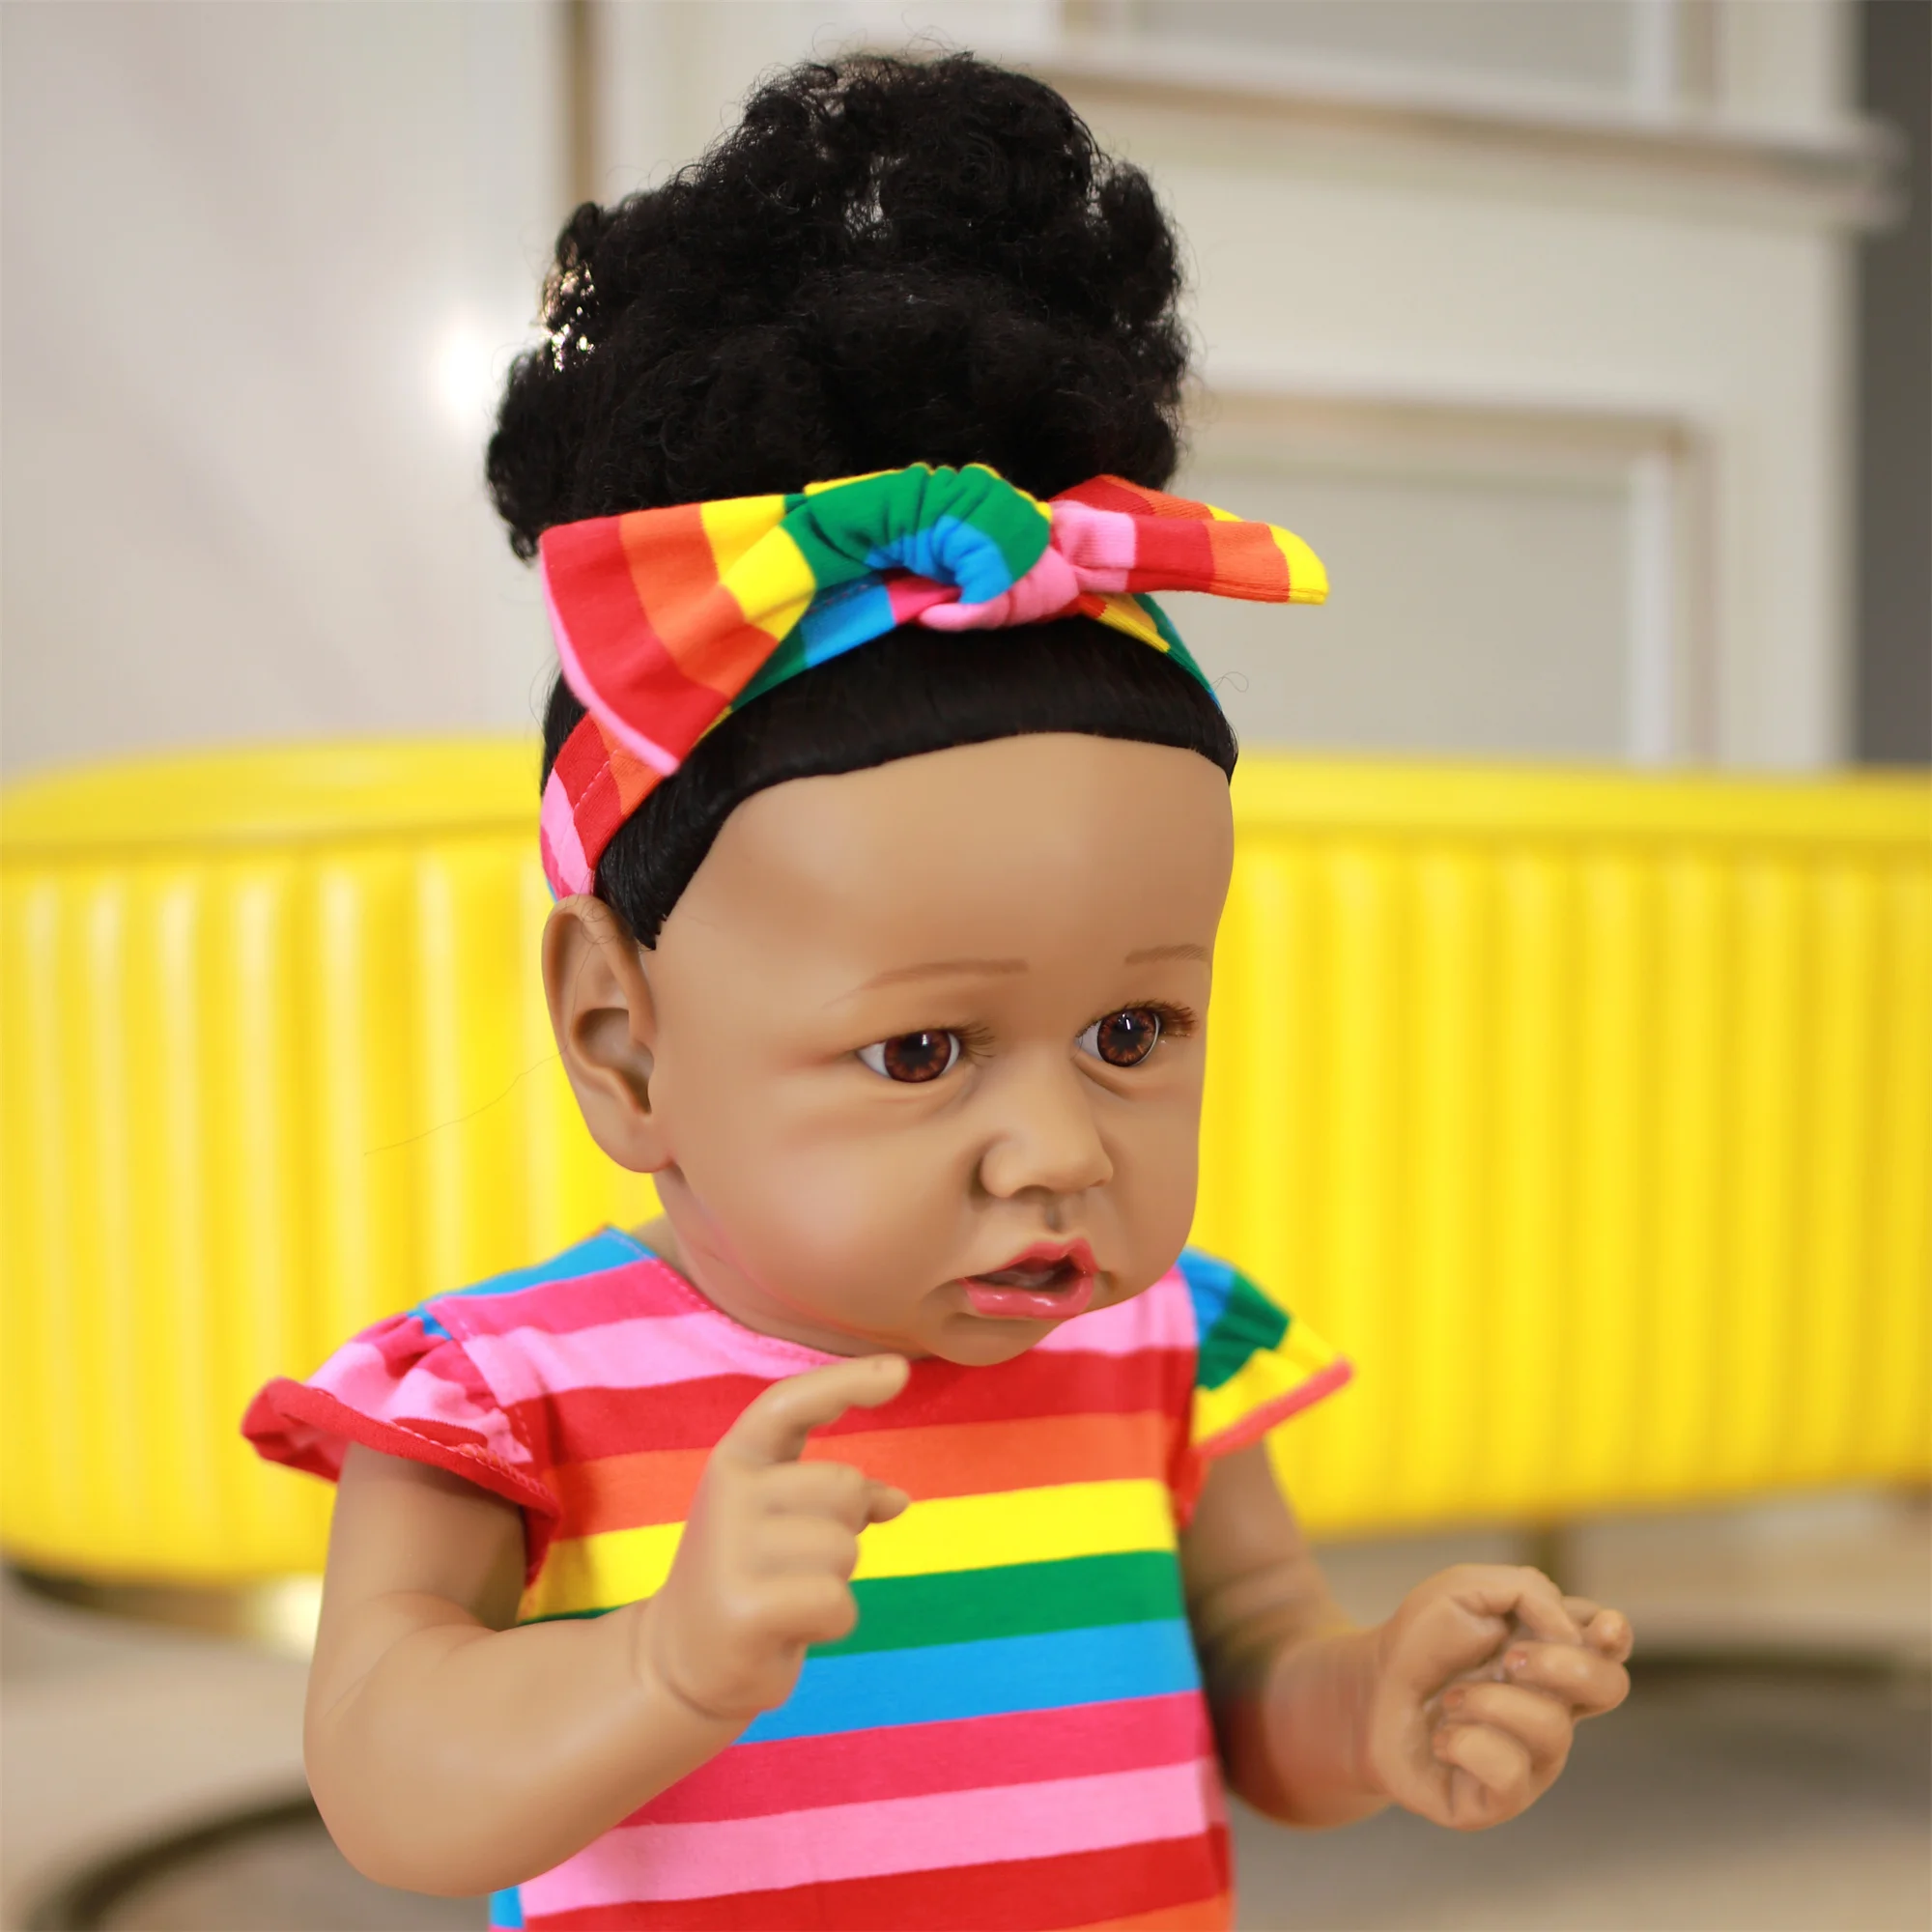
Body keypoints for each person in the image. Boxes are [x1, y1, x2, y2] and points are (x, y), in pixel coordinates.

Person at [245, 52, 1631, 1930]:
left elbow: (1250, 1677)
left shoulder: (1160, 1345)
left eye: (1132, 1032)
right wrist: (661, 1660)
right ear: (622, 1039)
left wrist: (1374, 1699)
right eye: (920, 1049)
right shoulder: (511, 1393)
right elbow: (388, 1784)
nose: (1055, 1150)